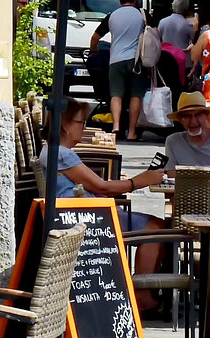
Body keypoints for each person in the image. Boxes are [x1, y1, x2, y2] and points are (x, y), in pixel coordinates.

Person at [39, 98, 170, 311]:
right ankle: (142, 296)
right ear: (66, 126)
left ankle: (145, 291)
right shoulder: (61, 154)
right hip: (87, 219)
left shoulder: (55, 152)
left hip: (85, 213)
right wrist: (140, 180)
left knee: (157, 224)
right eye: (82, 123)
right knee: (155, 227)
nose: (84, 128)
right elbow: (102, 187)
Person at [89, 0, 148, 141]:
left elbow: (95, 38)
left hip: (115, 60)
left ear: (119, 0)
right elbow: (155, 34)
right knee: (136, 96)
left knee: (116, 95)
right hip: (137, 61)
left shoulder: (112, 15)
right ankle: (132, 132)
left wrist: (95, 52)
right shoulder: (142, 14)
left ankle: (116, 126)